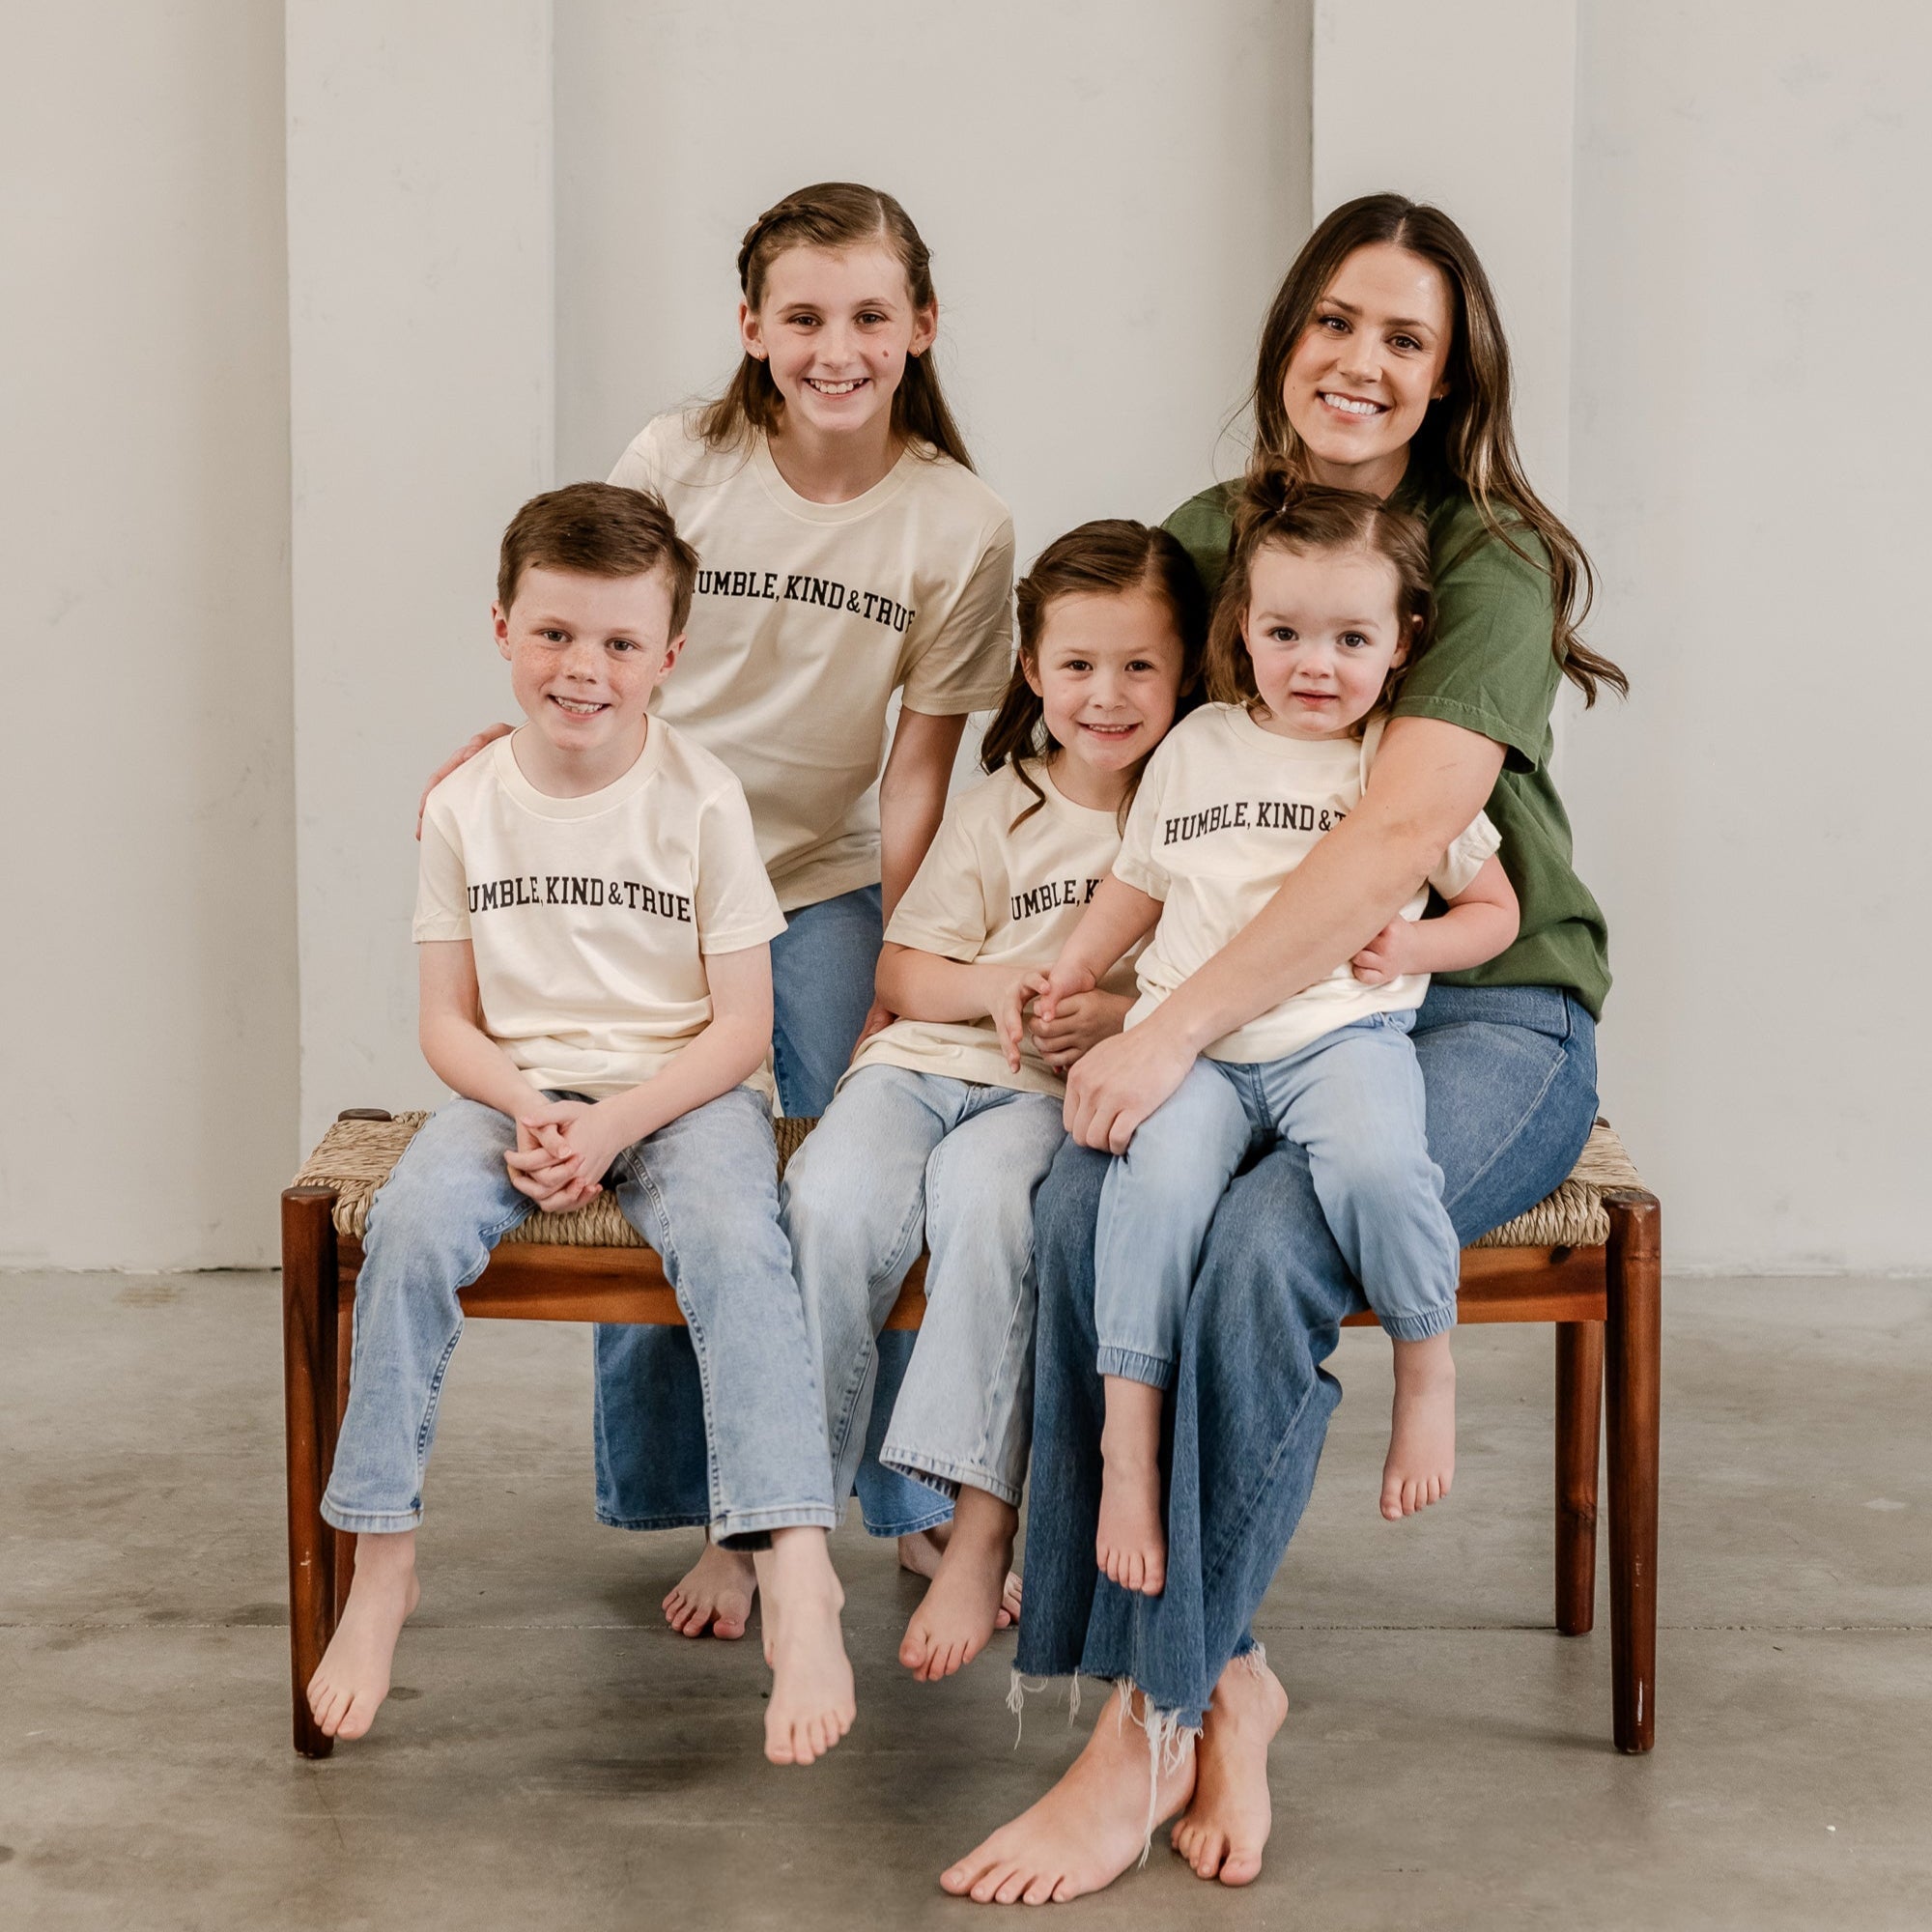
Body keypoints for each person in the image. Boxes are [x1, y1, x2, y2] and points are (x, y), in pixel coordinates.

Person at [944, 192, 1623, 1904]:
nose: (1362, 361)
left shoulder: (1485, 559)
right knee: (1092, 1197)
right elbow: (1115, 748)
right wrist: (1091, 980)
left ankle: (1146, 1724)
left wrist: (1170, 1023)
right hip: (1250, 1001)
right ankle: (1228, 1672)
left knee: (1262, 1252)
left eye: (1407, 337)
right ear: (1287, 335)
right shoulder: (1207, 534)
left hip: (1480, 1008)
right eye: (1337, 320)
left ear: (1451, 376)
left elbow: (1394, 843)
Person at [420, 185, 1018, 1637]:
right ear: (751, 327)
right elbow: (596, 641)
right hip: (652, 882)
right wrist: (516, 768)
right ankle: (726, 1517)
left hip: (821, 880)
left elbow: (919, 769)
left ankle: (907, 1500)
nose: (836, 348)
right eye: (802, 316)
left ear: (921, 326)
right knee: (668, 1164)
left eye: (869, 315)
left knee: (863, 1174)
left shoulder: (959, 521)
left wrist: (899, 966)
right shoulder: (678, 458)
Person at [309, 483, 854, 1767]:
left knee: (738, 1243)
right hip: (515, 1091)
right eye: (554, 633)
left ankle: (796, 1564)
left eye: (619, 642)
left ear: (670, 654)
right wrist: (529, 1105)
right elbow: (446, 1021)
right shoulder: (463, 803)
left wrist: (614, 1124)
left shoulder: (702, 798)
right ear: (502, 627)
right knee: (411, 1227)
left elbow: (741, 1027)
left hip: (682, 1096)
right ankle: (381, 1559)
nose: (582, 668)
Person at [1021, 482, 1517, 1606]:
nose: (1314, 664)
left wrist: (1417, 941)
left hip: (1337, 1036)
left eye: (1350, 639)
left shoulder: (1392, 763)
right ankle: (1126, 1449)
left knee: (1380, 1168)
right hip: (1192, 1048)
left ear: (1402, 642)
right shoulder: (1195, 744)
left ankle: (1424, 1361)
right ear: (1240, 626)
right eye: (1284, 632)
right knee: (1147, 1194)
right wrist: (1073, 967)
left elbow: (1495, 911)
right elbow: (1135, 882)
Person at [781, 521, 1207, 1684]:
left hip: (1039, 1094)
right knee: (824, 1199)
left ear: (1185, 670)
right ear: (1031, 669)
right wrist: (995, 985)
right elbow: (902, 971)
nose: (1106, 694)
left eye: (1138, 665)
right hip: (919, 1064)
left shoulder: (1194, 816)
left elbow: (1213, 983)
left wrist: (1112, 1014)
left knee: (991, 1211)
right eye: (1077, 664)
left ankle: (972, 1528)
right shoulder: (998, 805)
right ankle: (783, 1520)